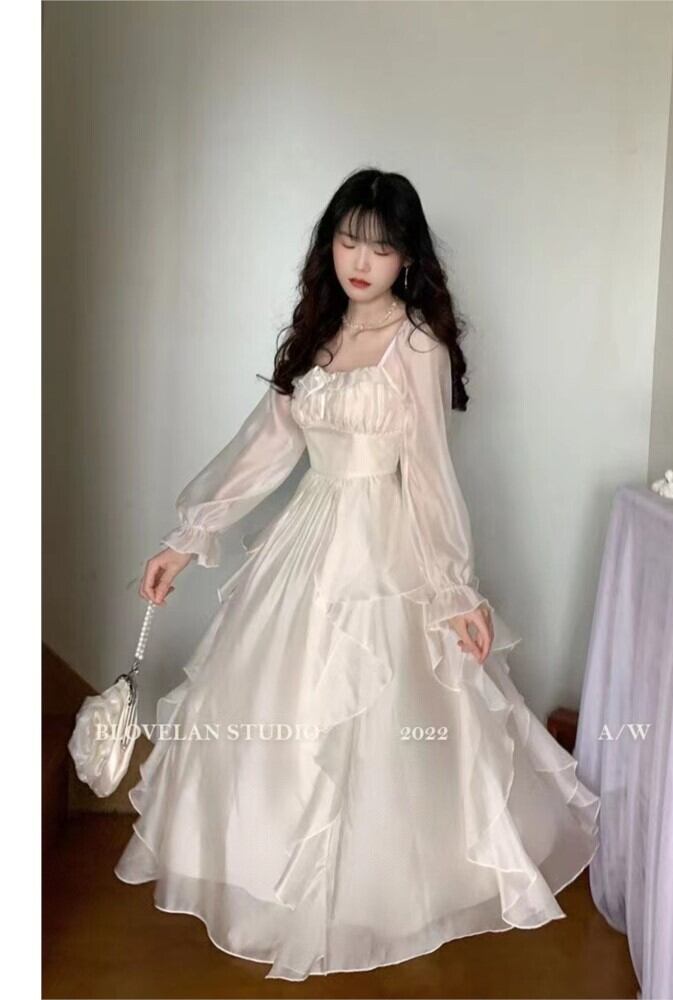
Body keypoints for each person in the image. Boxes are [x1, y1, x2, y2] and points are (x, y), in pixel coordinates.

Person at [115, 168, 600, 982]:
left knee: (386, 723)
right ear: (329, 246)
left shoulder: (418, 346)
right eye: (348, 241)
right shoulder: (316, 339)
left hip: (386, 545)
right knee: (283, 710)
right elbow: (264, 450)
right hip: (307, 537)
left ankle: (384, 894)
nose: (362, 261)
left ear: (407, 256)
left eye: (380, 246)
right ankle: (279, 884)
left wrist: (452, 588)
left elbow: (432, 474)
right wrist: (186, 540)